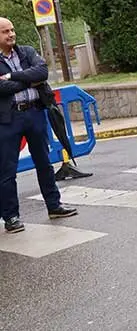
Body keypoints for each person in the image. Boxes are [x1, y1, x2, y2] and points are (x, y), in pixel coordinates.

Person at [0, 17, 77, 233]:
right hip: (9, 119)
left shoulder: (26, 52)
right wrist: (28, 81)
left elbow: (42, 72)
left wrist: (11, 76)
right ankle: (11, 216)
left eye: (12, 30)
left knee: (44, 163)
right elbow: (2, 88)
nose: (11, 34)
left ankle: (54, 206)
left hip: (34, 113)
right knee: (7, 170)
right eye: (5, 31)